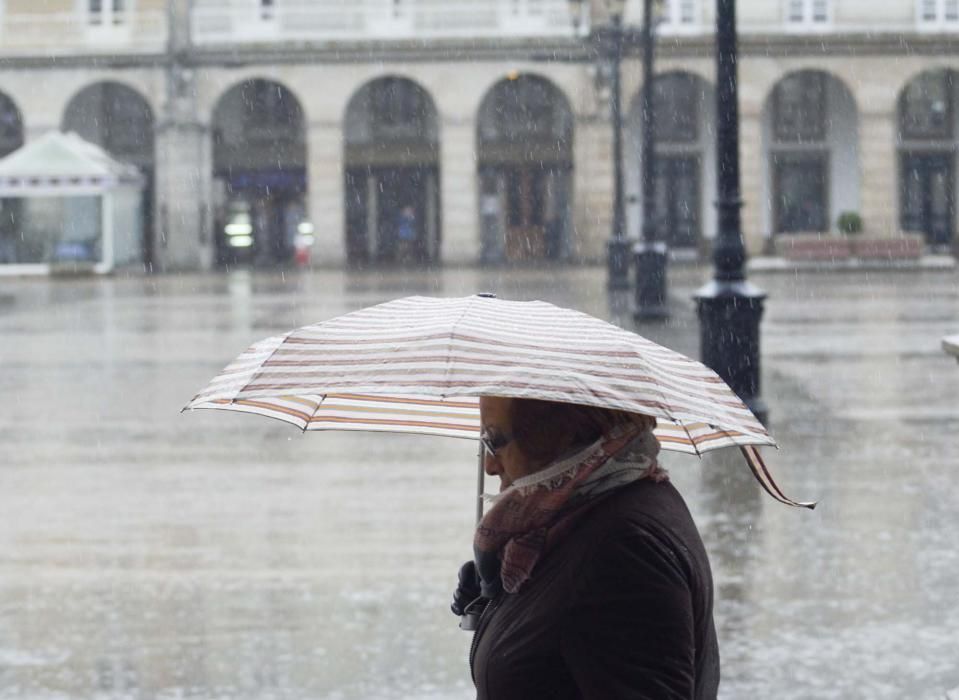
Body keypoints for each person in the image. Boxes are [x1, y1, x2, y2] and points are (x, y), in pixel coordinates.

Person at [451, 396, 719, 699]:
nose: (489, 465)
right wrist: (500, 604)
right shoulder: (579, 513)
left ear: (554, 433)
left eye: (494, 440)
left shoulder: (624, 550)